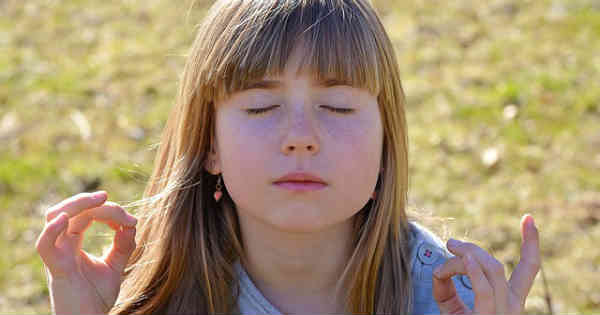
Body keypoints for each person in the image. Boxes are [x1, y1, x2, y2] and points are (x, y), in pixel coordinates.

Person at [35, 0, 542, 314]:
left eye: (338, 106)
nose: (301, 138)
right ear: (209, 144)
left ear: (388, 143)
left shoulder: (450, 302)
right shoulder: (151, 297)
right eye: (261, 107)